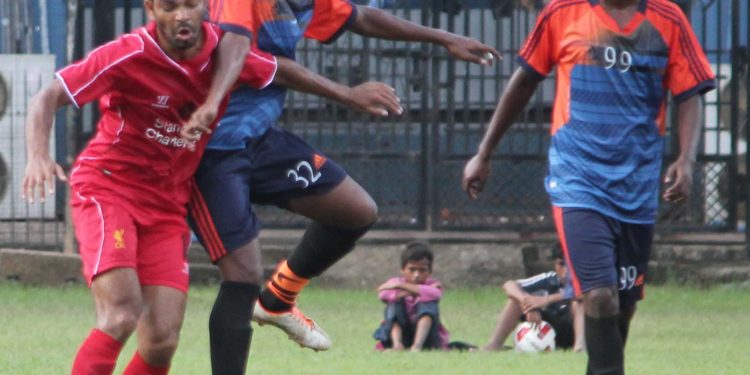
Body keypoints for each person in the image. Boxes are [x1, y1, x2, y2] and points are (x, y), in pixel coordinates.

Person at [21, 0, 401, 373]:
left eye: (190, 4)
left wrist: (348, 94)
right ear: (151, 10)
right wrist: (38, 155)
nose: (182, 14)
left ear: (206, 7)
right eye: (170, 6)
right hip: (111, 189)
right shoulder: (128, 53)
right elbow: (48, 97)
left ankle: (279, 297)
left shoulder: (225, 53)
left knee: (161, 344)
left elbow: (280, 71)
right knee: (121, 313)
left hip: (167, 203)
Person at [179, 1, 502, 373]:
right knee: (242, 276)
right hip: (212, 148)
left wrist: (444, 38)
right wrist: (346, 94)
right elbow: (253, 57)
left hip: (260, 139)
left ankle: (278, 300)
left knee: (356, 211)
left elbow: (360, 16)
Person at [462, 0, 715, 373]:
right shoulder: (562, 12)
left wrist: (686, 160)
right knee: (598, 296)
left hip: (637, 184)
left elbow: (689, 92)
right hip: (577, 179)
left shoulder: (669, 19)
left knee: (622, 305)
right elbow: (526, 78)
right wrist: (484, 153)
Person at [484, 243, 584, 352]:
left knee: (579, 302)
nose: (565, 271)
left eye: (569, 266)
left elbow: (583, 294)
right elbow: (509, 285)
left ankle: (579, 347)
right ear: (555, 265)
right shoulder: (549, 279)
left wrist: (547, 299)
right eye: (561, 264)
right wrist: (527, 303)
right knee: (515, 300)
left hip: (577, 329)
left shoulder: (586, 280)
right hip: (551, 329)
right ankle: (494, 345)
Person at [373, 242, 449, 352]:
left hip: (427, 338)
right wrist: (411, 292)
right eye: (412, 269)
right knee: (393, 305)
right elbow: (383, 295)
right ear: (402, 269)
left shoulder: (433, 284)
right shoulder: (394, 281)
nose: (416, 275)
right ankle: (397, 345)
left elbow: (436, 294)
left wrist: (400, 287)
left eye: (422, 270)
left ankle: (417, 346)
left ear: (430, 271)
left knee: (428, 304)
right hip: (403, 332)